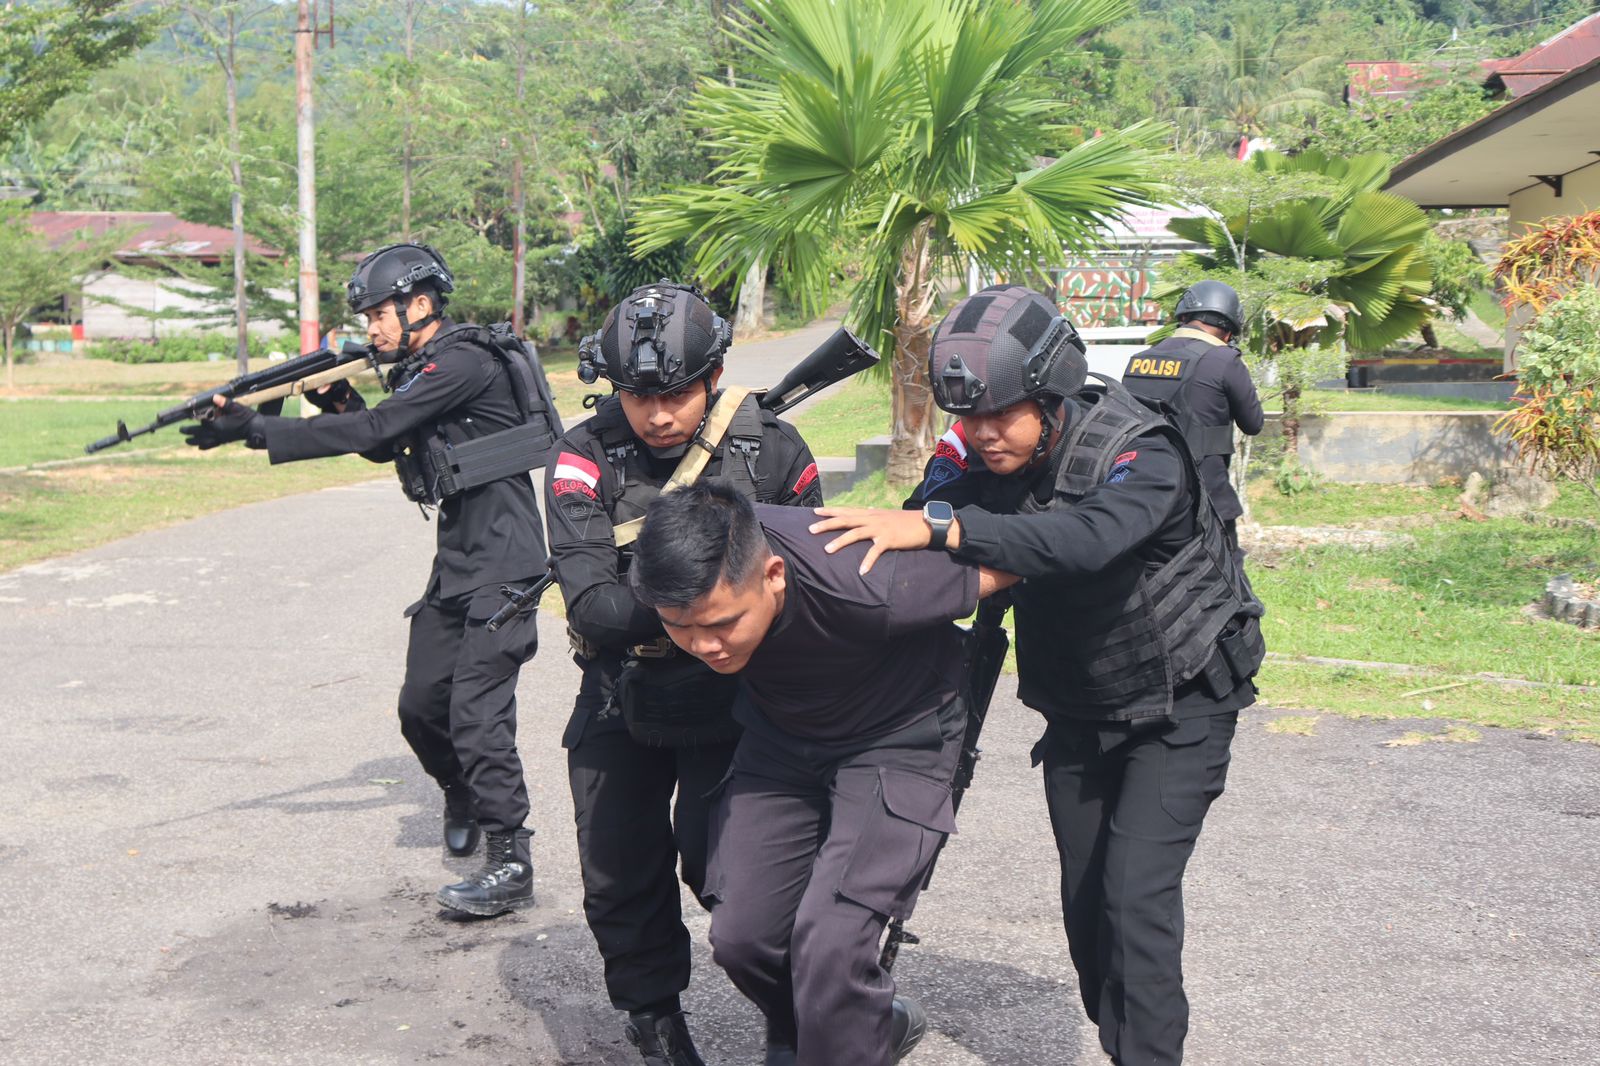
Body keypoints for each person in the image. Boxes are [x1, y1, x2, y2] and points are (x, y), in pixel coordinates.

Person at [810, 285, 1266, 1065]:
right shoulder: (973, 449)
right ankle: (1125, 1034)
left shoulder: (1140, 448)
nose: (983, 434)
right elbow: (924, 515)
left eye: (1001, 415)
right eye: (969, 418)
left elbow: (1084, 538)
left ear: (1051, 395)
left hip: (1182, 700)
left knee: (1135, 904)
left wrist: (942, 527)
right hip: (1080, 705)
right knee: (1089, 914)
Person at [181, 243, 556, 918]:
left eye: (380, 314)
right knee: (420, 707)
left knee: (477, 714)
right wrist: (335, 398)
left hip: (507, 559)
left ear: (420, 305)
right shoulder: (425, 368)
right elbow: (389, 438)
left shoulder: (462, 362)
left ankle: (511, 860)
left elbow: (382, 426)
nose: (372, 328)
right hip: (460, 560)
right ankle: (460, 792)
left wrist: (257, 429)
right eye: (368, 317)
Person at [628, 481, 1015, 1066]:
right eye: (682, 629)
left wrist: (943, 527)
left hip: (898, 736)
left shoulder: (863, 575)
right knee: (742, 938)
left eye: (723, 624)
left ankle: (838, 1038)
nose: (705, 646)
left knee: (831, 945)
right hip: (782, 739)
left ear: (775, 575)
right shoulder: (676, 576)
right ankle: (842, 1030)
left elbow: (1012, 561)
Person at [544, 282, 823, 1065]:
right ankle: (655, 1022)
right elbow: (593, 605)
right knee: (618, 870)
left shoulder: (772, 449)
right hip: (617, 686)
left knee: (727, 868)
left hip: (735, 694)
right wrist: (712, 603)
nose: (659, 413)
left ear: (713, 376)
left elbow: (799, 583)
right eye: (639, 394)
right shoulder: (580, 454)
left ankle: (802, 1007)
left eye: (676, 392)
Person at [1120, 280, 1263, 545]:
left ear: (1183, 318)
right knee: (1223, 577)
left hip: (1144, 487)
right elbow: (1253, 424)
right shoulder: (1223, 359)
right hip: (1205, 493)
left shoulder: (1140, 360)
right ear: (1229, 331)